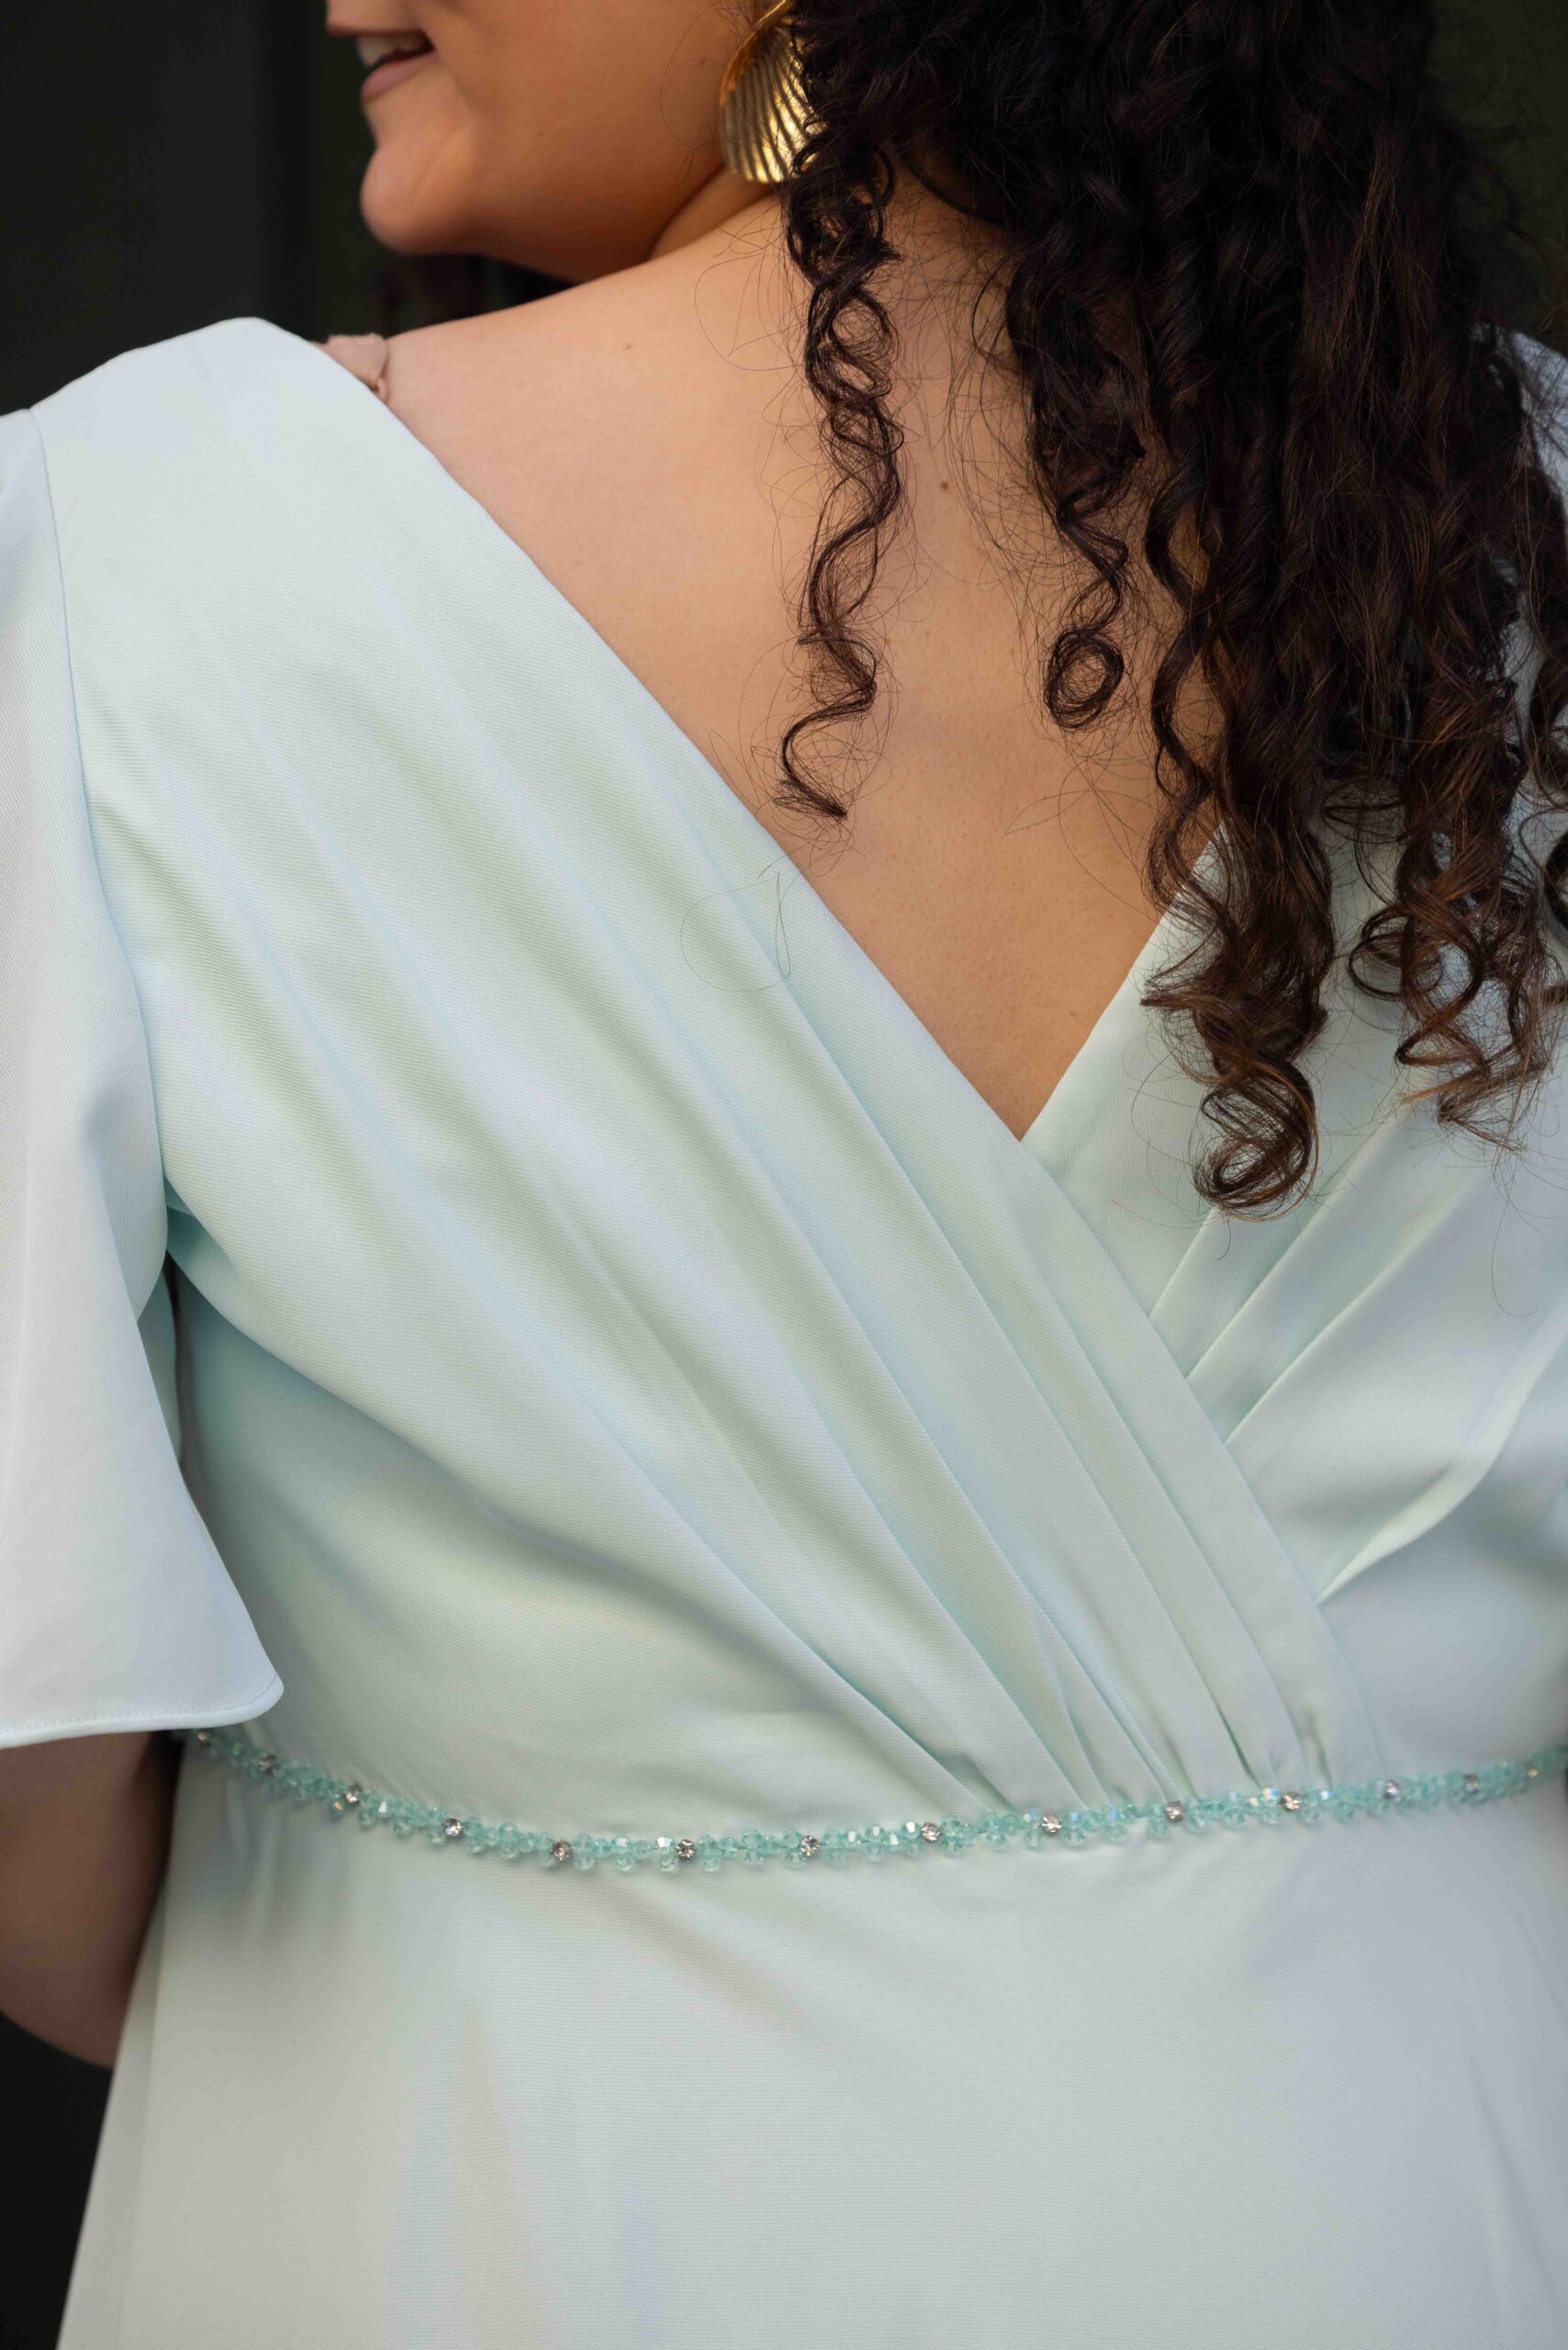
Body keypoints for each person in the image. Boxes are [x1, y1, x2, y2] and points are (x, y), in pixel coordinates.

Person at [4, 1, 1568, 2341]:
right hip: (1421, 2199)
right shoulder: (1502, 523)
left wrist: (440, 1957)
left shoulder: (126, 555)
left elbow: (27, 1802)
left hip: (494, 2207)